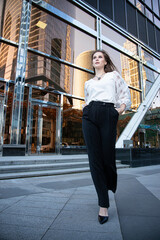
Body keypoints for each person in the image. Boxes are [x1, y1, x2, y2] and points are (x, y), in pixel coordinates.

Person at [82, 50, 131, 224]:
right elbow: (88, 99)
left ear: (105, 61)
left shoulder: (113, 76)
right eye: (94, 57)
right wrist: (85, 109)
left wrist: (118, 111)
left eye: (100, 57)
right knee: (94, 160)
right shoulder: (88, 82)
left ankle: (109, 184)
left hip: (108, 113)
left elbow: (125, 94)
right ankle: (103, 204)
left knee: (107, 157)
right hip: (90, 116)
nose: (96, 59)